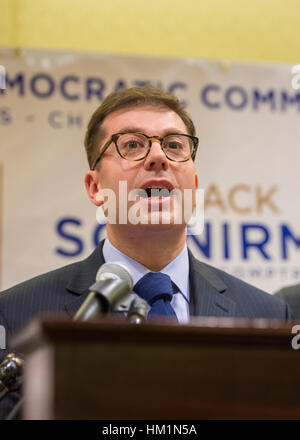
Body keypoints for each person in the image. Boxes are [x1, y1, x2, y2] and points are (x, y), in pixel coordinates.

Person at [0, 85, 292, 419]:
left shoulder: (268, 317)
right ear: (95, 188)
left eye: (173, 145)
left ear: (194, 187)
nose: (158, 157)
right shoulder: (14, 315)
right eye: (132, 145)